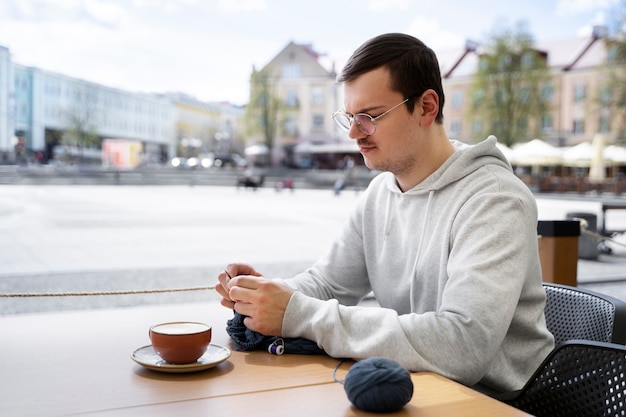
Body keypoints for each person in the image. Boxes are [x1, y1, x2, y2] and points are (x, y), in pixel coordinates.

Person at [216, 33, 554, 393]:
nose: (354, 134)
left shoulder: (495, 200)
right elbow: (330, 284)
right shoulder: (380, 191)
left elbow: (463, 346)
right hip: (414, 385)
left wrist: (297, 313)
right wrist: (270, 294)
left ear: (426, 107)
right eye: (348, 117)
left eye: (370, 116)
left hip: (502, 402)